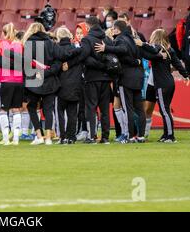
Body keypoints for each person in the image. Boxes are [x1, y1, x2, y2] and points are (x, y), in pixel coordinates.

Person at [22, 22, 79, 145]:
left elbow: (26, 65)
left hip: (33, 80)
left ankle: (39, 135)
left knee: (32, 107)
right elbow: (59, 61)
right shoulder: (51, 43)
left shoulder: (28, 44)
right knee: (48, 109)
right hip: (50, 81)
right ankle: (48, 137)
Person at [95, 20, 146, 143]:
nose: (112, 30)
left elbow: (122, 50)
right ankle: (141, 136)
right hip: (138, 77)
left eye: (113, 28)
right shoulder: (134, 40)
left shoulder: (120, 39)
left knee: (127, 108)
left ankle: (129, 136)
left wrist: (106, 48)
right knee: (139, 109)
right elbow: (139, 56)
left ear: (118, 29)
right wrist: (136, 62)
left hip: (126, 78)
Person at [135, 29, 190, 143]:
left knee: (164, 111)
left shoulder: (158, 48)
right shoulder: (169, 50)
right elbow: (177, 63)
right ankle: (166, 134)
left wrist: (142, 44)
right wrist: (185, 75)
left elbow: (152, 51)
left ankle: (170, 136)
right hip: (169, 82)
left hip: (162, 84)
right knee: (165, 110)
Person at [77, 16, 113, 144]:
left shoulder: (87, 39)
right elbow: (111, 57)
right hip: (106, 78)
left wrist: (97, 64)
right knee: (104, 109)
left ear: (88, 26)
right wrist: (104, 66)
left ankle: (92, 136)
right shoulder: (107, 39)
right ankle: (105, 137)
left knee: (91, 108)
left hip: (92, 78)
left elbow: (84, 57)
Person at [55, 27, 82, 144]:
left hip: (61, 85)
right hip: (75, 85)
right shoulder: (76, 49)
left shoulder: (57, 50)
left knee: (60, 112)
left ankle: (63, 136)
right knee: (72, 113)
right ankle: (71, 136)